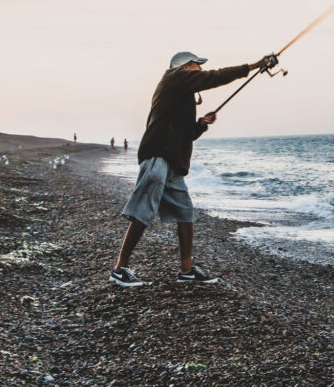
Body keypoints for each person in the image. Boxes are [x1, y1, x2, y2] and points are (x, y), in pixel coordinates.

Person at [110, 50, 274, 286]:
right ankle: (120, 268)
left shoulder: (182, 94)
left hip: (172, 163)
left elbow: (186, 134)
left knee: (185, 212)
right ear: (185, 66)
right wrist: (253, 65)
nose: (201, 69)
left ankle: (187, 270)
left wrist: (201, 124)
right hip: (158, 156)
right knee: (143, 210)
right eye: (197, 65)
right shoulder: (173, 77)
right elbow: (213, 77)